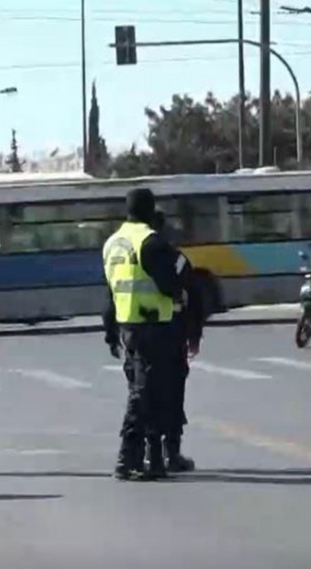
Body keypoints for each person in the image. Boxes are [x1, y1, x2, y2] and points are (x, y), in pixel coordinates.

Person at [101, 188, 183, 481]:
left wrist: (110, 333)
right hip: (153, 327)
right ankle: (128, 459)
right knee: (145, 394)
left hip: (127, 327)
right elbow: (172, 283)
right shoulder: (150, 242)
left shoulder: (112, 243)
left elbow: (111, 292)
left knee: (145, 392)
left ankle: (153, 461)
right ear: (150, 210)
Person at [149, 209, 203, 472]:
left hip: (143, 334)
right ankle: (171, 452)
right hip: (172, 334)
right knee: (172, 393)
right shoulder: (177, 259)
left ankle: (151, 454)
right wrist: (195, 336)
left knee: (147, 395)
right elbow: (194, 298)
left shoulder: (130, 259)